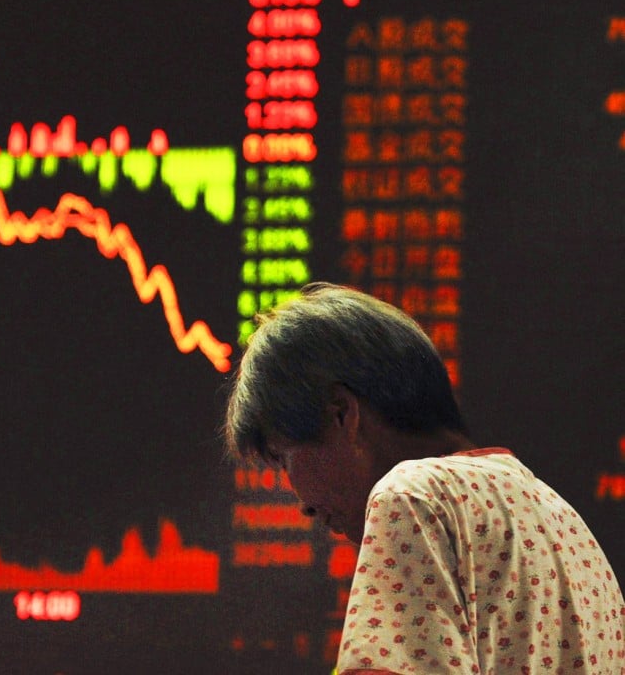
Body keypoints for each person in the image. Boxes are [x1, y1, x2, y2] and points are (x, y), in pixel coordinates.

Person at [224, 282, 625, 674]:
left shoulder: (411, 497)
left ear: (341, 413)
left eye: (283, 458)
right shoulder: (568, 524)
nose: (304, 504)